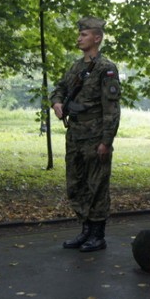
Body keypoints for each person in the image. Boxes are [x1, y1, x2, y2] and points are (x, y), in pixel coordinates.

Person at [50, 16, 121, 252]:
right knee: (76, 184)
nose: (79, 38)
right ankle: (85, 231)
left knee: (97, 185)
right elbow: (59, 88)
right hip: (75, 136)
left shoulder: (106, 69)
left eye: (84, 35)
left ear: (97, 38)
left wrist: (106, 142)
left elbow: (111, 108)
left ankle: (97, 235)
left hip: (95, 138)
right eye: (80, 34)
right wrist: (57, 103)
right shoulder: (76, 67)